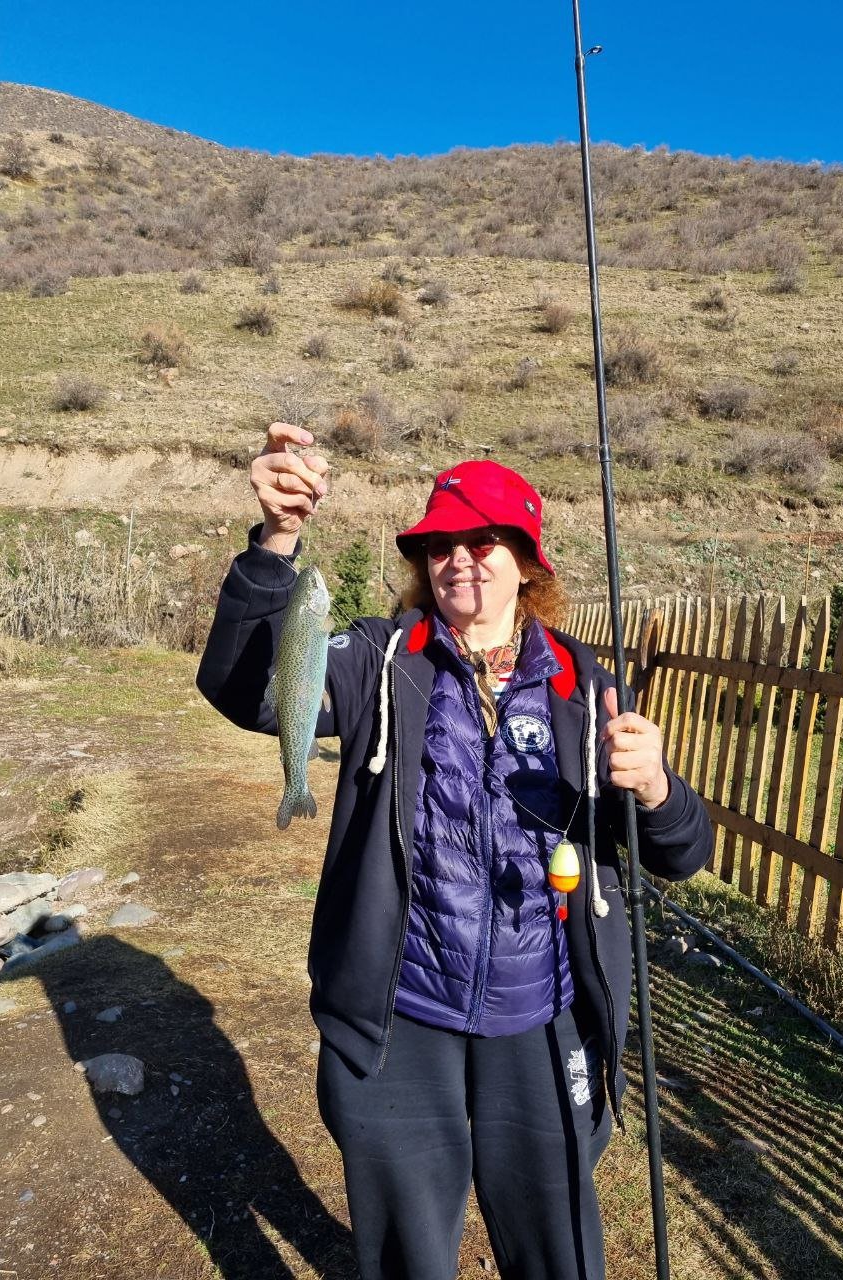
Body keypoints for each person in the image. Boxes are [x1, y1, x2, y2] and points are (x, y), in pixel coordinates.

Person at [197, 423, 713, 1280]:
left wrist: (656, 789)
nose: (460, 559)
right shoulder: (377, 657)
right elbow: (244, 689)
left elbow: (682, 853)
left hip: (543, 1017)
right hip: (401, 1018)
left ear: (527, 562)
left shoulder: (585, 686)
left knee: (560, 1254)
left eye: (485, 541)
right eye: (440, 544)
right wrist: (278, 542)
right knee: (406, 1257)